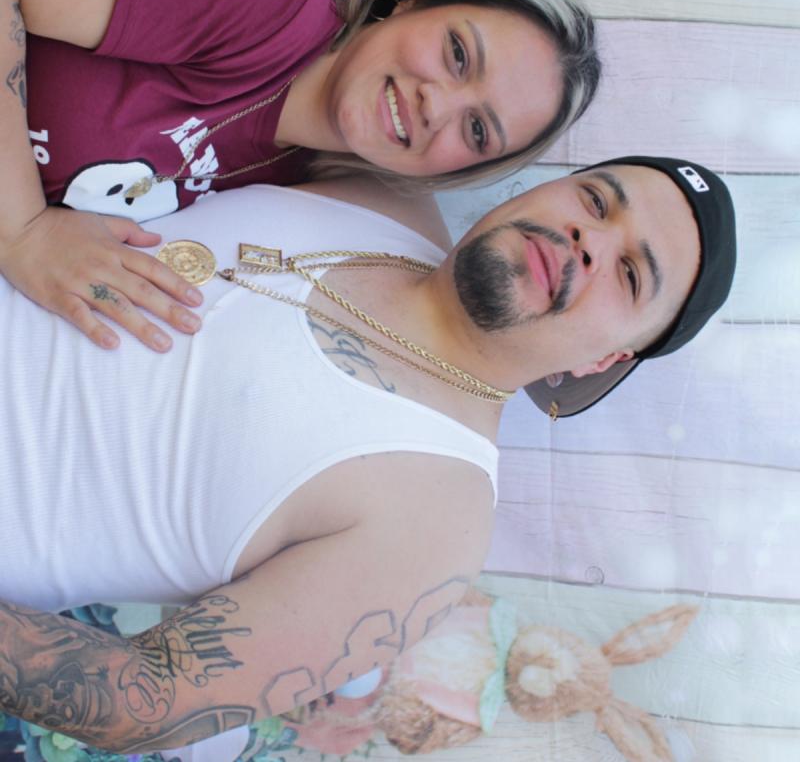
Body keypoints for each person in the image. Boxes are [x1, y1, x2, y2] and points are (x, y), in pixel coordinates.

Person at [0, 153, 736, 754]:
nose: (589, 240)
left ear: (604, 361)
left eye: (630, 275)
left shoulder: (434, 526)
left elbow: (146, 699)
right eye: (596, 201)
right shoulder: (379, 187)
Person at [0, 0, 600, 356]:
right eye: (458, 54)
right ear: (412, 1)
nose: (436, 105)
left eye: (477, 130)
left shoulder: (301, 183)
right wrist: (23, 232)